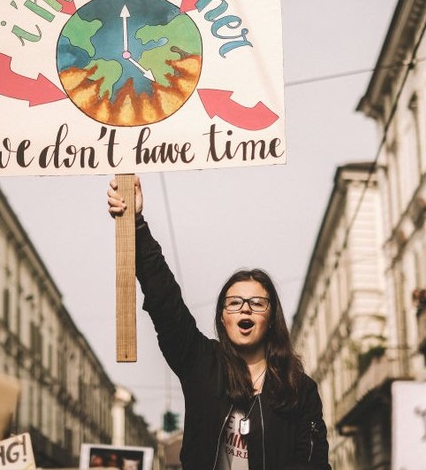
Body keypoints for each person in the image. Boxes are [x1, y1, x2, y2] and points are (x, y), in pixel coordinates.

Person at [108, 176, 331, 470]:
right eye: (235, 303)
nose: (245, 310)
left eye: (257, 303)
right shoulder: (201, 363)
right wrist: (136, 224)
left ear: (271, 317)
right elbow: (165, 303)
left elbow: (314, 464)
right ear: (223, 316)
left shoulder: (299, 389)